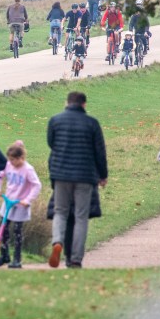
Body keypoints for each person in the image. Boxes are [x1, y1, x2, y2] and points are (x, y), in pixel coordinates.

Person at [47, 91, 108, 269]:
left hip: (61, 174)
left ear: (67, 103)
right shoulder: (92, 123)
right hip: (85, 176)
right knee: (81, 217)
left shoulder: (55, 121)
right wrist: (103, 175)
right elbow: (100, 152)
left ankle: (57, 241)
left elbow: (51, 144)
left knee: (60, 212)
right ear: (84, 105)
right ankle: (75, 259)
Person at [0, 141, 42, 269]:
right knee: (2, 230)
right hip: (8, 201)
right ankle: (4, 256)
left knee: (17, 232)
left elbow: (37, 185)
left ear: (21, 158)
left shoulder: (28, 169)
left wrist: (28, 200)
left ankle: (17, 259)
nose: (11, 162)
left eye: (14, 159)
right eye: (10, 159)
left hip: (20, 204)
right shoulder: (8, 165)